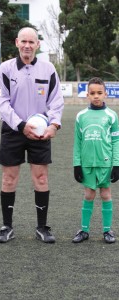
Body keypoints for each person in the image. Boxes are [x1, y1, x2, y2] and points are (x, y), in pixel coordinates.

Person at [0, 27, 64, 243]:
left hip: (40, 132)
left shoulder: (48, 68)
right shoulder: (5, 69)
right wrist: (21, 124)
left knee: (41, 178)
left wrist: (53, 125)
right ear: (17, 42)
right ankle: (7, 226)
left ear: (38, 44)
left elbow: (56, 101)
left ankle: (42, 227)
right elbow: (2, 103)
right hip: (13, 129)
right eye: (23, 41)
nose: (27, 45)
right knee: (9, 178)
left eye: (31, 42)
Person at [72, 77, 119, 244]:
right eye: (92, 93)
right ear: (87, 95)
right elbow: (77, 142)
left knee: (106, 194)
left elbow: (115, 141)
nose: (96, 96)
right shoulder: (81, 116)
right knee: (89, 195)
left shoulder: (111, 116)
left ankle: (107, 231)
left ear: (106, 94)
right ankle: (84, 230)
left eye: (99, 93)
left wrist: (117, 164)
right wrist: (76, 164)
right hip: (87, 164)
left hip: (105, 163)